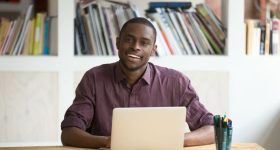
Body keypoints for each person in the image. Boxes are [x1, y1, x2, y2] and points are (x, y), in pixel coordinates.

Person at [61, 17, 214, 149]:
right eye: (129, 39)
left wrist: (173, 140)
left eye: (144, 42)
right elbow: (69, 133)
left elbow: (212, 129)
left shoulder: (176, 82)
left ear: (153, 50)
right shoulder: (94, 78)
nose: (135, 47)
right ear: (118, 43)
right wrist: (109, 142)